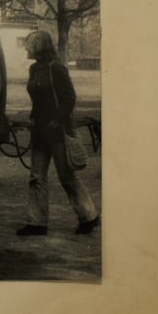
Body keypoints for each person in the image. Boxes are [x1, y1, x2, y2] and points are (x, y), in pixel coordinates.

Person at [16, 30, 100, 236]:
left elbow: (70, 98)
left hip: (58, 132)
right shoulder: (34, 69)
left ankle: (89, 217)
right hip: (40, 132)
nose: (26, 49)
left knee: (67, 177)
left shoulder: (56, 68)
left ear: (39, 46)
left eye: (29, 45)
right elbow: (37, 100)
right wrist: (33, 118)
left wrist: (57, 120)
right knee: (36, 177)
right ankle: (36, 223)